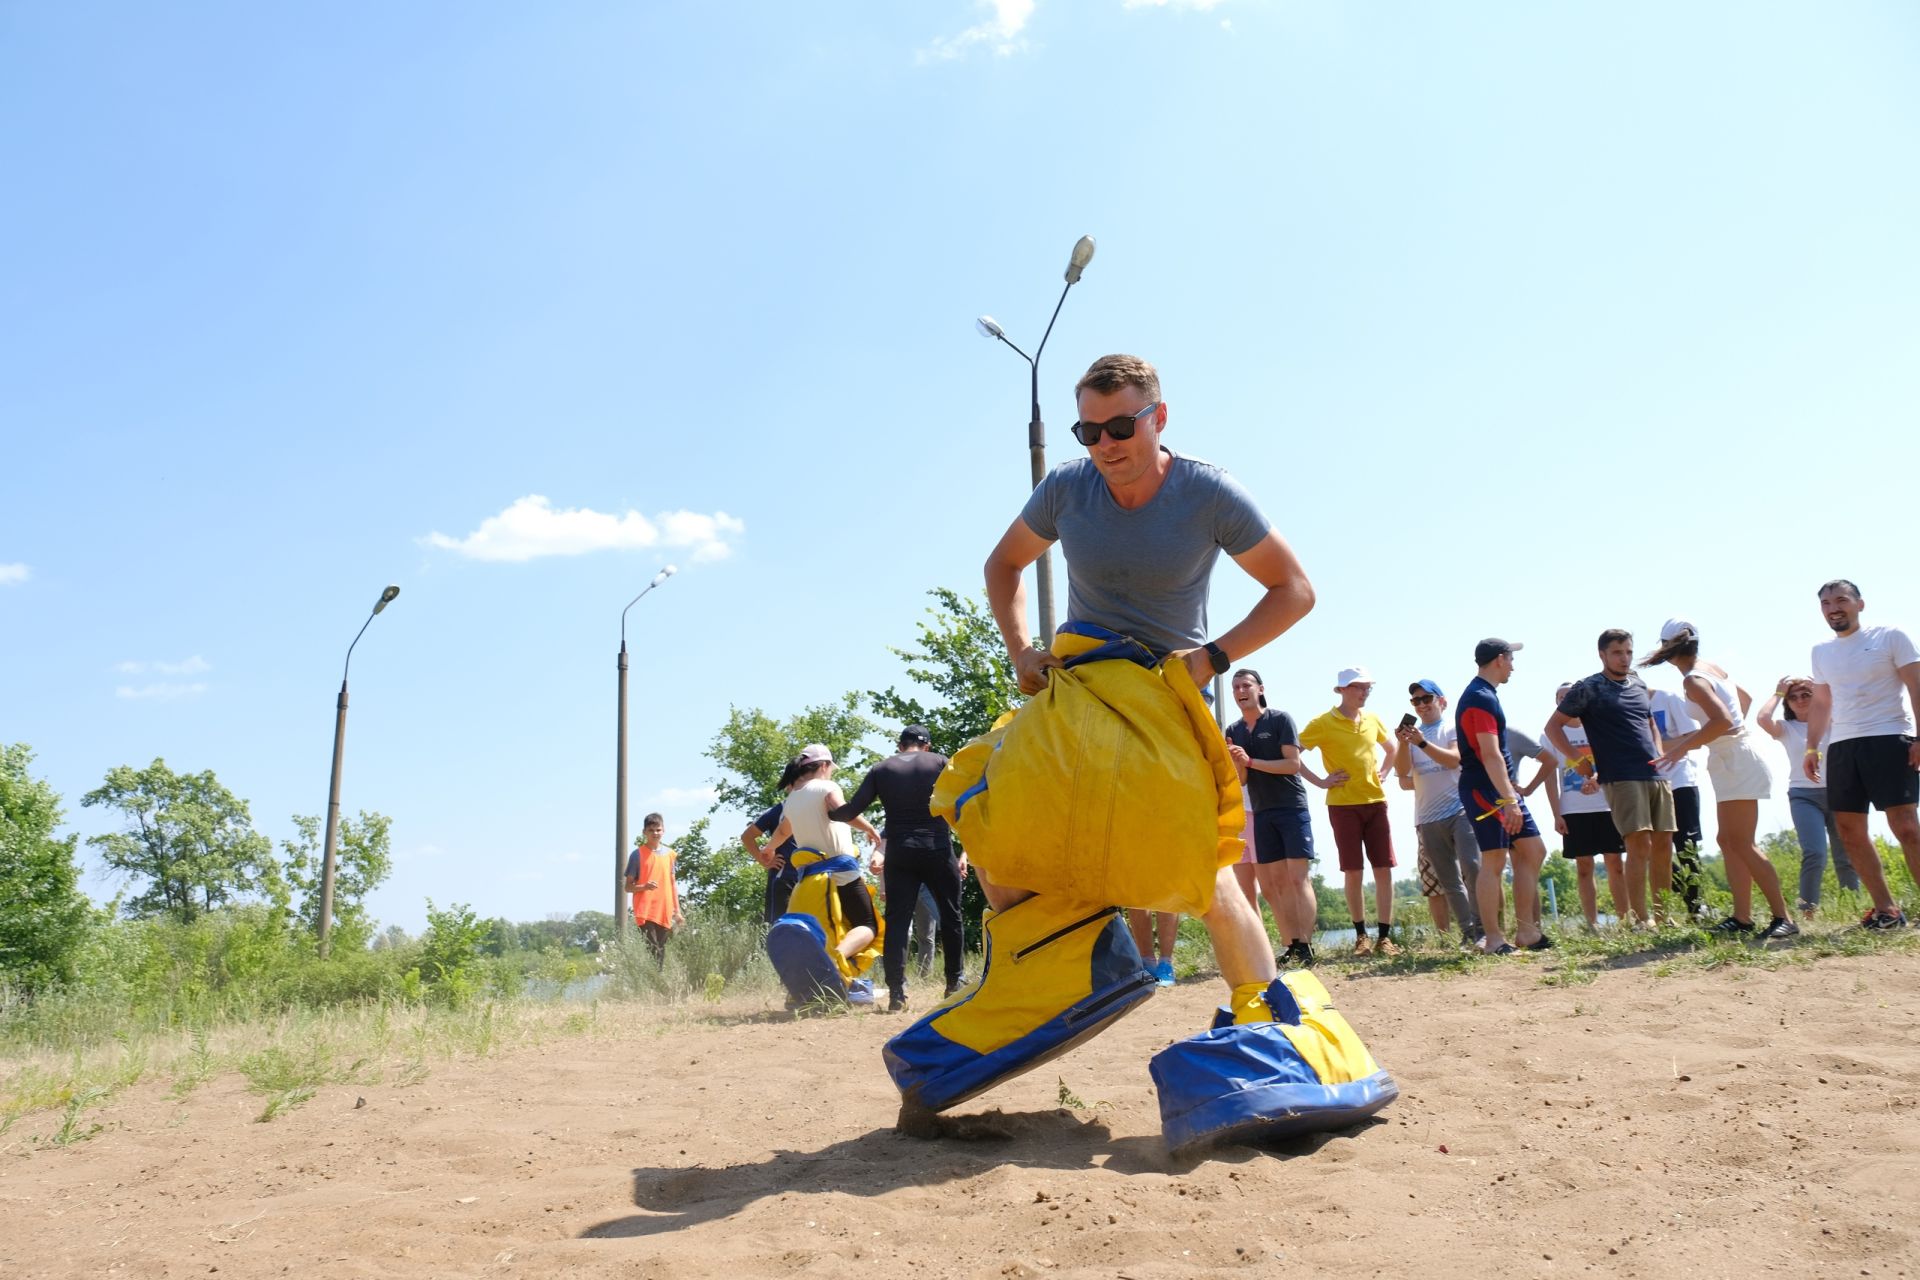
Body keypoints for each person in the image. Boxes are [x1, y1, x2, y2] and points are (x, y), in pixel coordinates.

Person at [1644, 620, 1798, 940]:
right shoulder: (1710, 668)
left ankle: (1783, 917)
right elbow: (1744, 699)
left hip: (1736, 760)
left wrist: (1681, 748)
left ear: (1667, 649)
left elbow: (1723, 720)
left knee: (1742, 842)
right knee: (1727, 841)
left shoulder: (1692, 681)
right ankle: (1742, 918)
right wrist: (1725, 735)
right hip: (1732, 757)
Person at [1802, 579, 1920, 930]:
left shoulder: (1890, 636)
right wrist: (1812, 747)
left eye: (1841, 600)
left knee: (1906, 828)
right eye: (1825, 603)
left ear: (1860, 605)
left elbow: (1916, 685)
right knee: (1849, 830)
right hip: (1842, 747)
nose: (1833, 608)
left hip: (1889, 737)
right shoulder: (1821, 651)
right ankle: (1887, 911)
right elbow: (1822, 702)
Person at [828, 725, 966, 1013]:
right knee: (951, 917)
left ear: (901, 745)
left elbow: (851, 810)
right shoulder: (940, 762)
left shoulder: (881, 769)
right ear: (925, 745)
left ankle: (896, 993)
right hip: (937, 849)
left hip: (900, 854)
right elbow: (963, 801)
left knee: (898, 922)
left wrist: (828, 813)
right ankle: (955, 983)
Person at [1546, 629, 1675, 928]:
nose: (1625, 658)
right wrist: (1579, 761)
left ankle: (1664, 917)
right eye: (1618, 652)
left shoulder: (1639, 683)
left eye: (1628, 651)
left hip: (1655, 774)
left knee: (1664, 843)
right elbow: (1553, 727)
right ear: (1602, 654)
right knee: (1638, 844)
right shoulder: (1588, 687)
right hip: (1621, 775)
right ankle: (1641, 920)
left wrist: (1658, 750)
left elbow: (1649, 721)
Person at [1455, 639, 1550, 953]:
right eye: (1511, 658)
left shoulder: (1487, 695)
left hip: (1500, 788)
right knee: (1494, 860)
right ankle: (1494, 938)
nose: (1513, 665)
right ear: (1499, 659)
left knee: (1533, 850)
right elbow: (1490, 754)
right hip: (1486, 789)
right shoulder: (1479, 698)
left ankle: (1526, 932)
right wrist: (1509, 799)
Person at [1225, 668, 1323, 966]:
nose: (1241, 691)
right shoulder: (1234, 730)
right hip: (1261, 810)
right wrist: (1239, 762)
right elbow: (1242, 779)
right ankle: (1292, 944)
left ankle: (1306, 945)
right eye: (1236, 687)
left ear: (1260, 689)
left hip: (1290, 806)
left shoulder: (1280, 719)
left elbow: (1292, 764)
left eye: (1246, 685)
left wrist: (1251, 760)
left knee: (1297, 878)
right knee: (1276, 884)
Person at [1300, 668, 1400, 957]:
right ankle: (1361, 938)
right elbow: (1293, 754)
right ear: (1341, 690)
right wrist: (1321, 781)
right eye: (1358, 687)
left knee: (1383, 869)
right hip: (1342, 806)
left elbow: (1391, 748)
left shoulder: (1373, 719)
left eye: (1367, 687)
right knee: (1353, 871)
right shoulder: (1322, 723)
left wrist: (1384, 771)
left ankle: (1384, 937)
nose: (1364, 692)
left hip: (1376, 802)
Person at [758, 744, 884, 967]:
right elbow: (844, 811)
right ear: (824, 765)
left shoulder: (793, 798)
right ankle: (832, 962)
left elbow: (783, 832)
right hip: (841, 874)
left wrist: (768, 849)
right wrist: (869, 828)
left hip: (808, 881)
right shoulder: (826, 787)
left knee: (830, 929)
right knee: (867, 926)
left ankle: (833, 977)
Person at [1754, 676, 1859, 912]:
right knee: (1814, 853)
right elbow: (1762, 718)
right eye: (1793, 697)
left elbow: (1846, 704)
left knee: (1847, 855)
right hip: (1803, 796)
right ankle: (1807, 910)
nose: (1800, 700)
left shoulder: (1834, 721)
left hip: (1838, 794)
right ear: (1787, 703)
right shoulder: (1787, 728)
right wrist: (1778, 692)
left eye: (1806, 695)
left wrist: (1823, 689)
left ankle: (1852, 908)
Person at [1391, 679, 1482, 945]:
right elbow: (1402, 774)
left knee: (1473, 869)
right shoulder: (1412, 738)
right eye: (1415, 701)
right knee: (1449, 881)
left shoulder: (1452, 728)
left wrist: (1421, 743)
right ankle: (1468, 934)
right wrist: (1403, 744)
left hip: (1460, 809)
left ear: (1441, 701)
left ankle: (1484, 929)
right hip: (1427, 817)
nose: (1421, 705)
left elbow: (1454, 759)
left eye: (1426, 698)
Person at [1549, 682, 1627, 930]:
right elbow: (1550, 777)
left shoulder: (1597, 726)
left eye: (1570, 695)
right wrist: (1556, 813)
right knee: (1584, 866)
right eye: (1561, 697)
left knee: (1615, 862)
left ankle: (1626, 920)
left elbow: (1612, 760)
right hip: (1573, 808)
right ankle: (1592, 924)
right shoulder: (1550, 734)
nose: (1566, 700)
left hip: (1607, 805)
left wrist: (1595, 779)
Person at [1647, 686, 1707, 917]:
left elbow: (1694, 737)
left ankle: (1696, 906)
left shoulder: (1667, 697)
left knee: (1686, 846)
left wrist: (1654, 748)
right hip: (1649, 785)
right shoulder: (1625, 707)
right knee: (1651, 848)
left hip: (1681, 780)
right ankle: (1686, 898)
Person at [740, 757, 803, 923]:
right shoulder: (778, 811)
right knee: (782, 930)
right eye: (800, 781)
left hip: (812, 877)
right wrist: (763, 860)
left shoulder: (816, 808)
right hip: (785, 878)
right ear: (790, 784)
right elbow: (747, 836)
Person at [624, 813, 684, 965]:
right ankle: (652, 981)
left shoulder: (670, 854)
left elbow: (672, 883)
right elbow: (627, 887)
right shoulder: (637, 855)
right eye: (651, 830)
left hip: (664, 909)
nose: (655, 833)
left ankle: (656, 983)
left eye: (658, 830)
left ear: (663, 831)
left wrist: (677, 911)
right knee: (653, 948)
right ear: (644, 832)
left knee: (661, 949)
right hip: (645, 910)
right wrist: (645, 886)